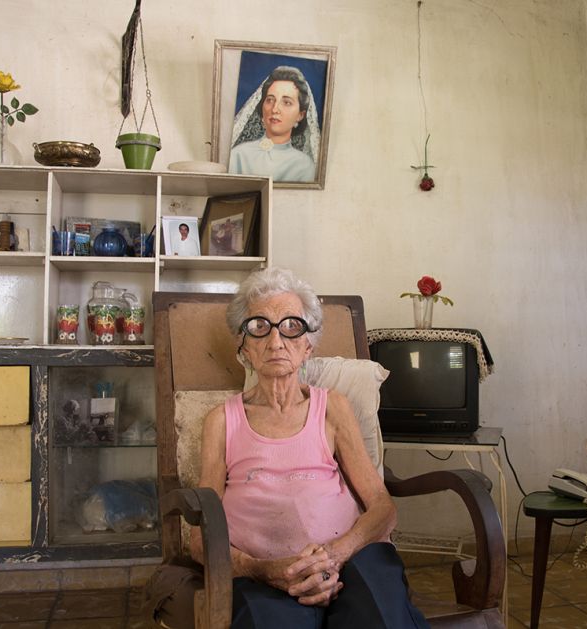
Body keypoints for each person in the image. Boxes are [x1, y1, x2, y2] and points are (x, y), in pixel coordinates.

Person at [191, 267, 428, 628]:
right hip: (261, 574)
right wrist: (262, 570)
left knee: (381, 614)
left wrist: (335, 556)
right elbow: (199, 535)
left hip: (351, 561)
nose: (276, 341)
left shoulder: (333, 407)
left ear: (308, 347)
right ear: (244, 348)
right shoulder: (221, 421)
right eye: (259, 327)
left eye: (291, 327)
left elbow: (382, 507)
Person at [228, 66, 318, 183]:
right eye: (270, 100)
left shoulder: (305, 166)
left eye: (286, 102)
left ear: (300, 115)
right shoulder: (238, 155)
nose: (275, 109)